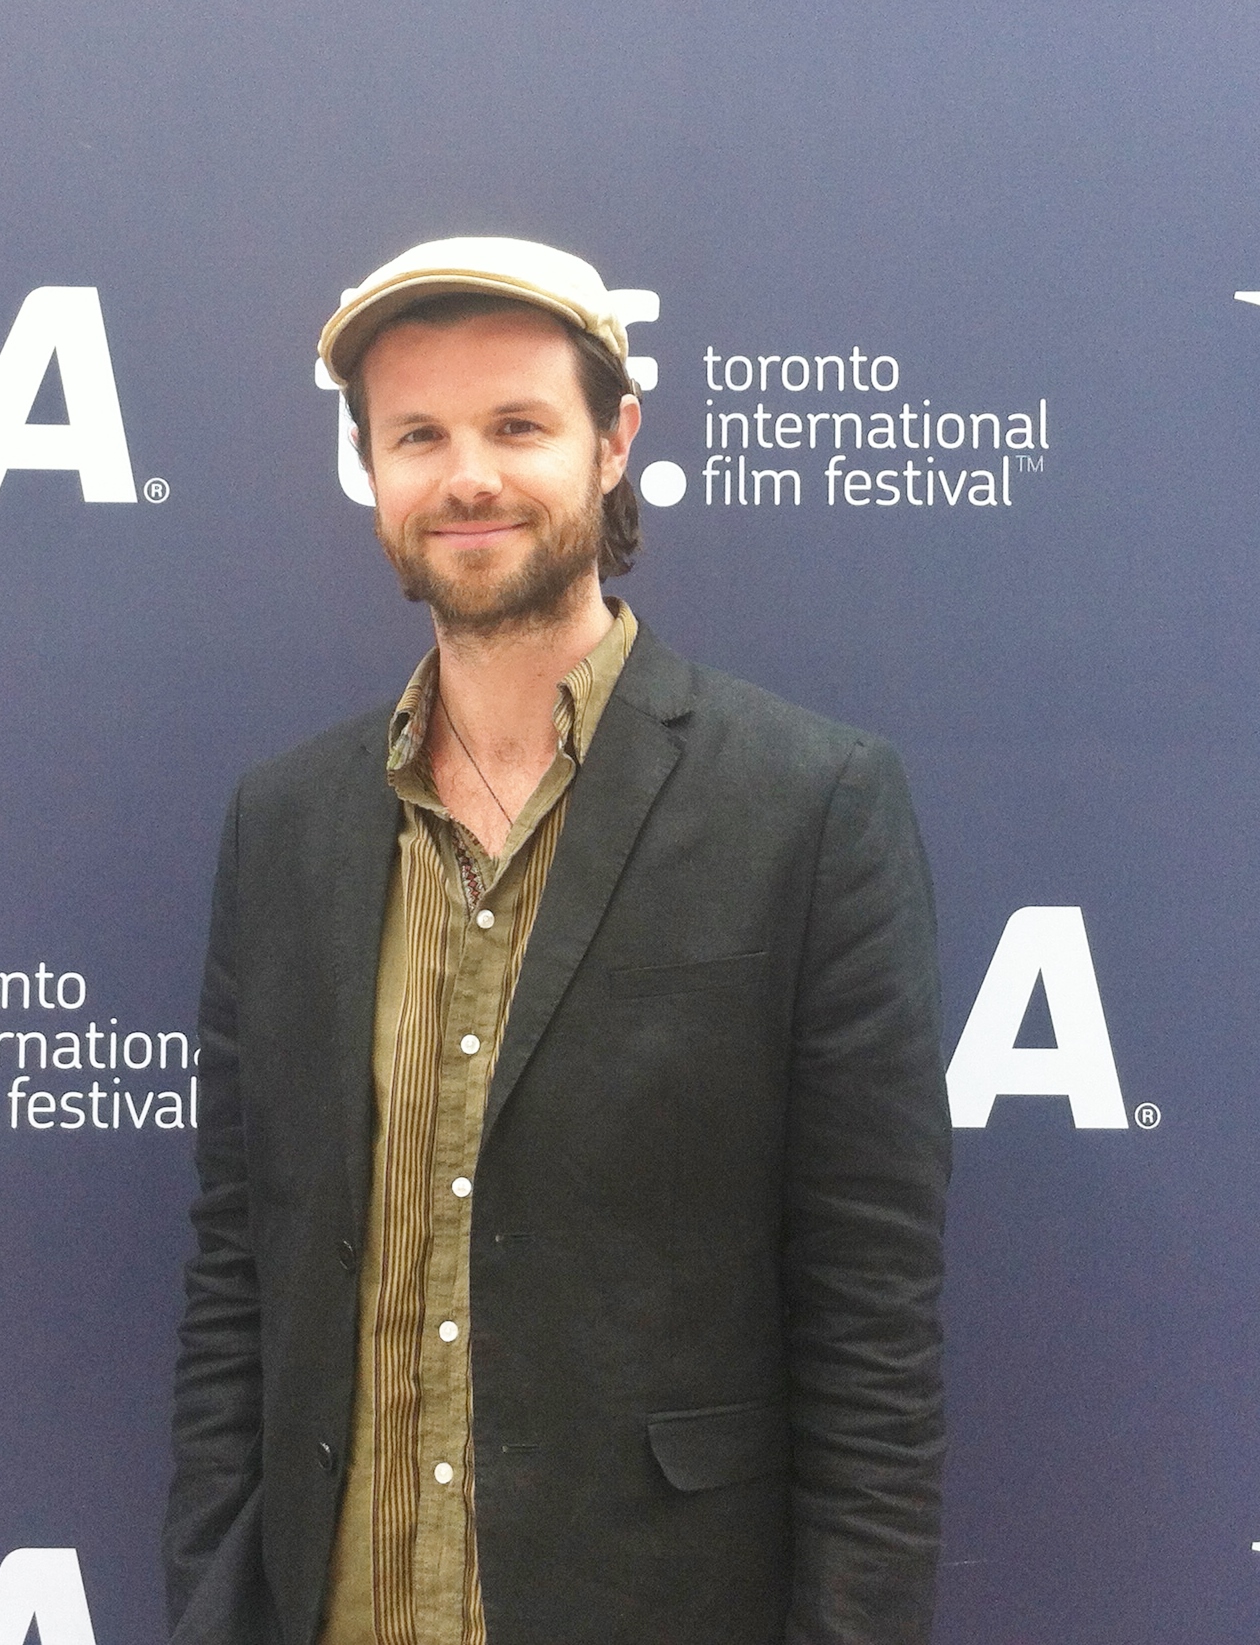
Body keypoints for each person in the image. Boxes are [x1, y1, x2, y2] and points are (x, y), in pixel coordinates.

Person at [163, 236, 951, 1645]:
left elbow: (870, 1332)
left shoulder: (810, 805)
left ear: (613, 442)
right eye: (418, 435)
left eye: (517, 425)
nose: (467, 477)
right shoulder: (283, 823)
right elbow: (238, 1275)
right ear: (374, 471)